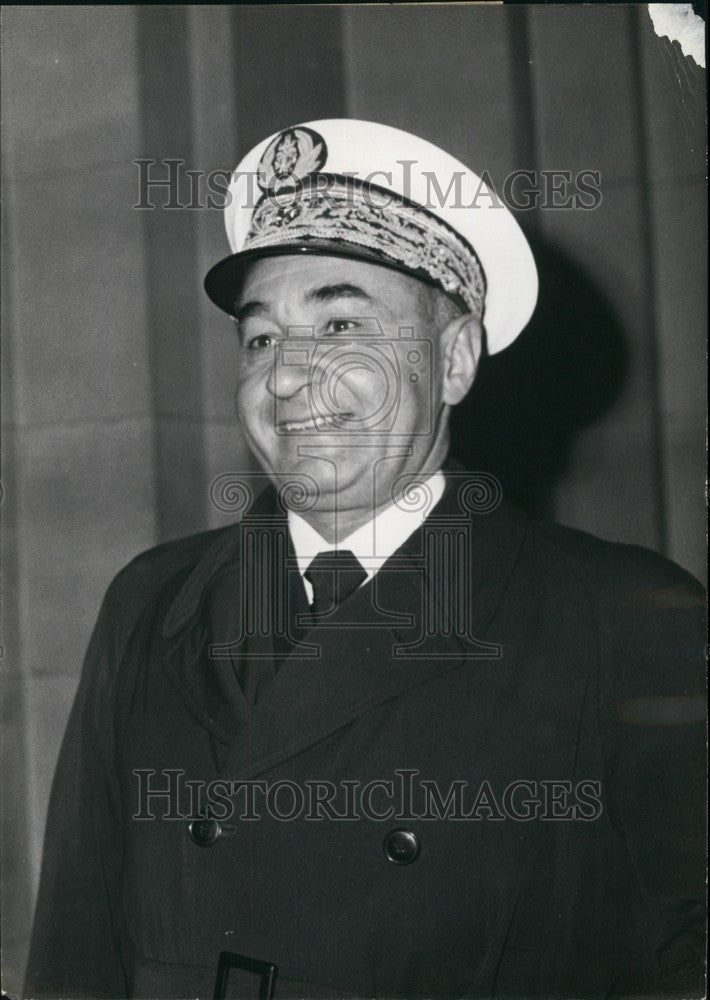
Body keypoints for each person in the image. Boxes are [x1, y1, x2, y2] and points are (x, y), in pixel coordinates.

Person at [26, 120, 705, 1000]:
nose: (281, 378)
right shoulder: (152, 601)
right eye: (261, 338)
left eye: (341, 321)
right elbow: (75, 956)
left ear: (454, 359)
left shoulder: (620, 614)